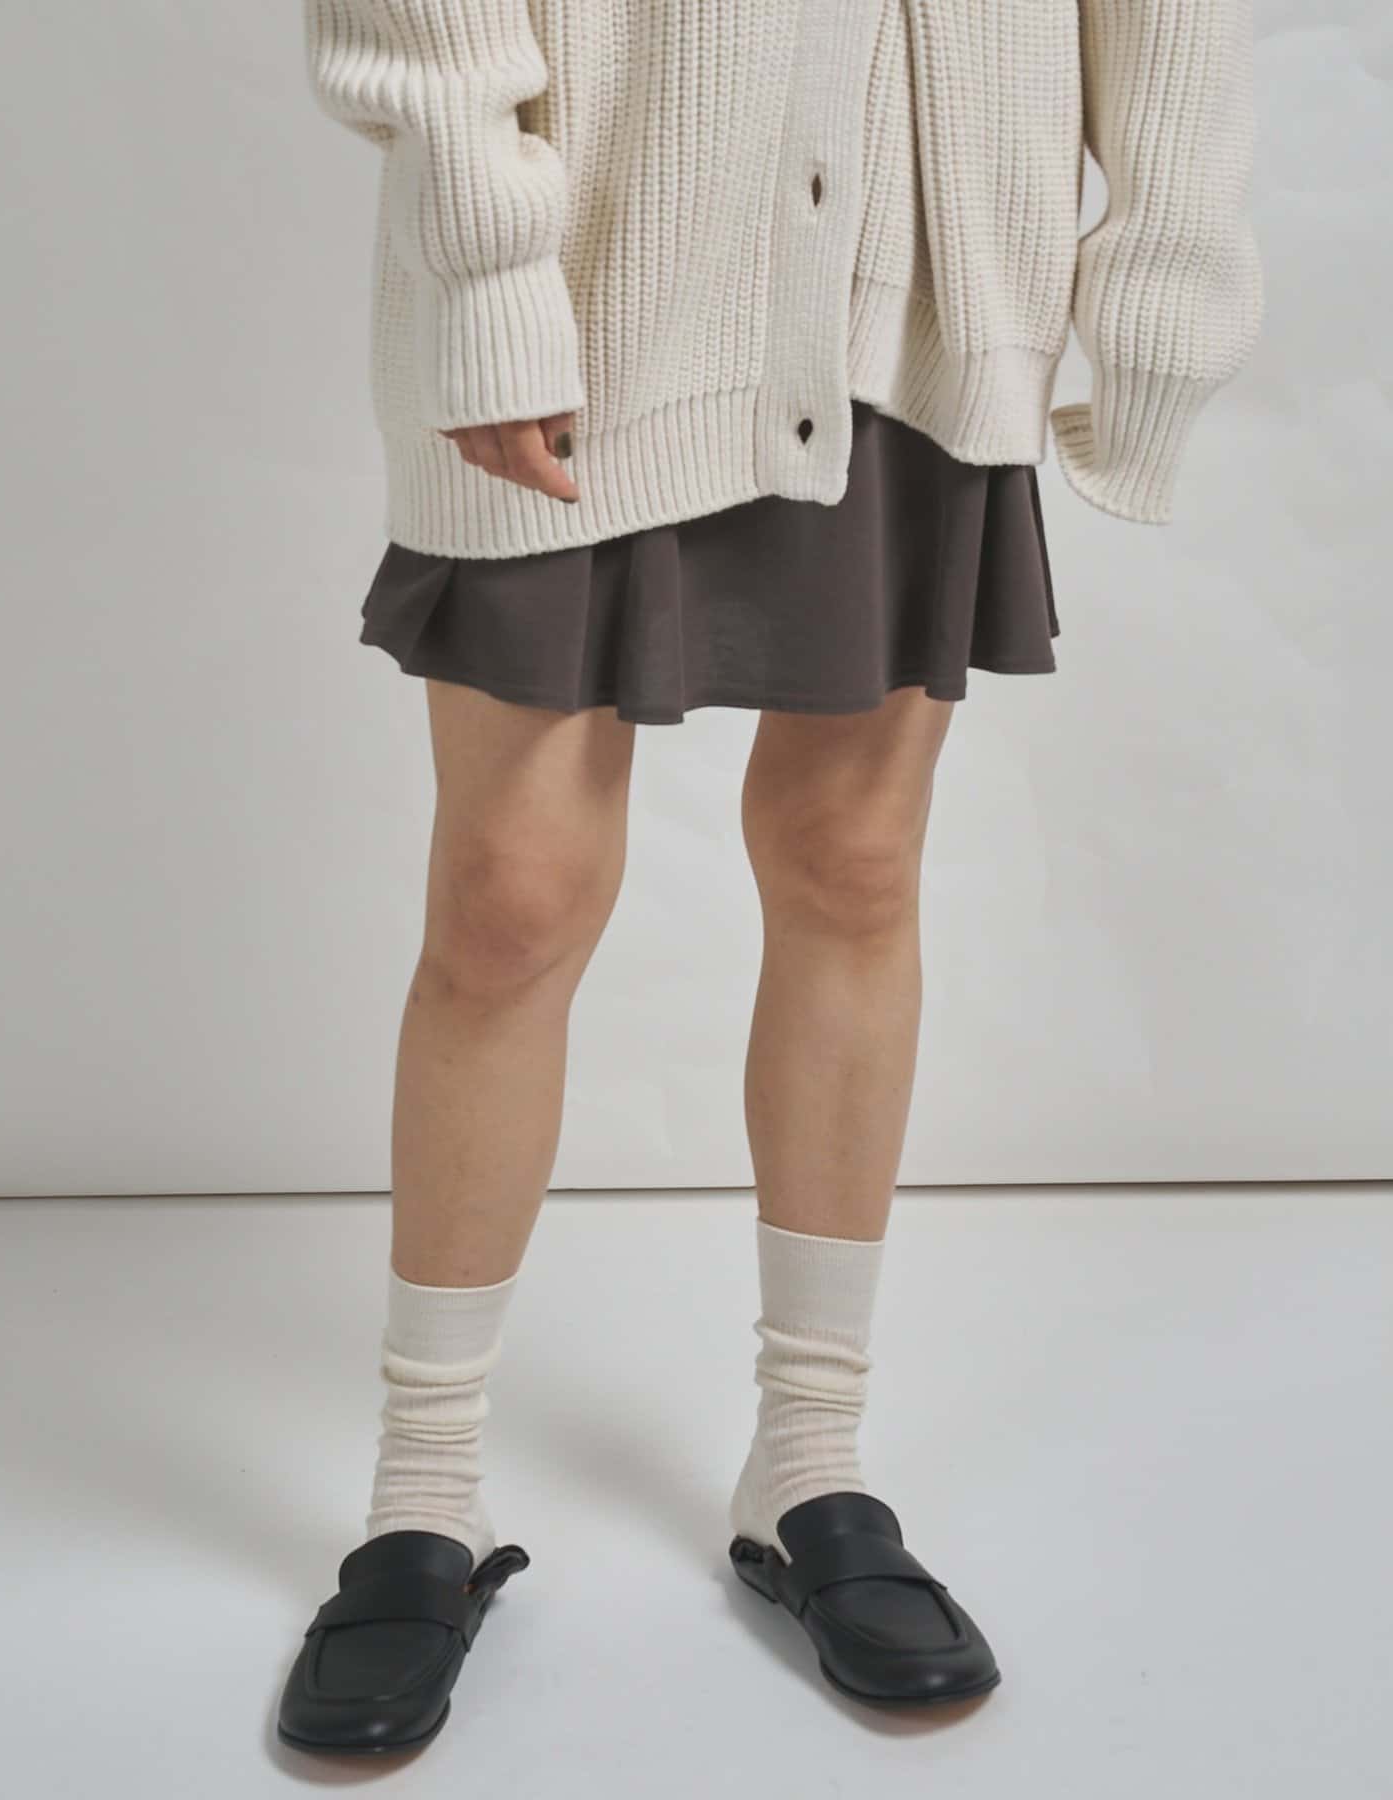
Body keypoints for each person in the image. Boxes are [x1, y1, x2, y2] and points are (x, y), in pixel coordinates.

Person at [278, 0, 1262, 1754]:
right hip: (597, 228)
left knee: (853, 861)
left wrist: (1167, 254)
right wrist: (485, 264)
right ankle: (421, 1493)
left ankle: (810, 1458)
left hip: (925, 253)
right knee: (508, 900)